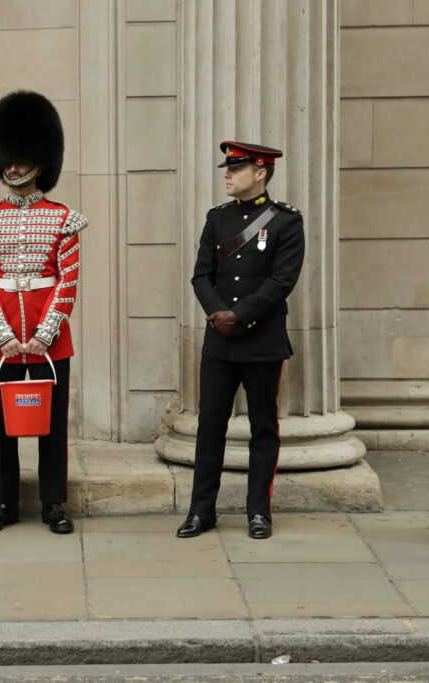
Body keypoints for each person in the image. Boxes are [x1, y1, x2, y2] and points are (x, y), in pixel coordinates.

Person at [0, 91, 87, 534]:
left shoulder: (63, 219)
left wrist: (45, 333)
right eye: (8, 160)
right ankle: (4, 501)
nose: (13, 168)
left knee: (52, 424)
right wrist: (2, 334)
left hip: (48, 338)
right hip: (2, 339)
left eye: (22, 159)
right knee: (1, 425)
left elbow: (67, 281)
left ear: (41, 160)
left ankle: (54, 502)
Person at [176, 140, 305, 541]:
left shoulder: (286, 221)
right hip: (220, 339)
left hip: (262, 340)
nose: (227, 175)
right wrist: (218, 314)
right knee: (209, 426)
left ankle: (258, 513)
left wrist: (241, 315)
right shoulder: (218, 219)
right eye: (227, 169)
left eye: (236, 169)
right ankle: (201, 512)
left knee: (263, 428)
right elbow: (201, 276)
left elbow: (282, 280)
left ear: (261, 172)